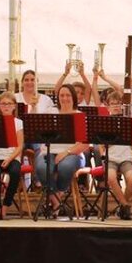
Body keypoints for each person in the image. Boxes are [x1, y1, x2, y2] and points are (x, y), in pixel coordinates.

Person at [36, 84, 90, 214]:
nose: (64, 98)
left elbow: (84, 144)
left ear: (73, 97)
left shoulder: (80, 116)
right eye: (62, 95)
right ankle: (57, 202)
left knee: (65, 167)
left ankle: (56, 196)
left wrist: (66, 152)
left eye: (68, 95)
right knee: (42, 168)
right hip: (49, 152)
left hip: (73, 154)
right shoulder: (50, 113)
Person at [0, 92, 25, 219]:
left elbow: (20, 146)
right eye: (3, 104)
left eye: (9, 104)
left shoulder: (18, 123)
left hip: (12, 156)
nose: (6, 106)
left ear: (14, 106)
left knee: (15, 172)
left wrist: (9, 159)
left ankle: (6, 205)